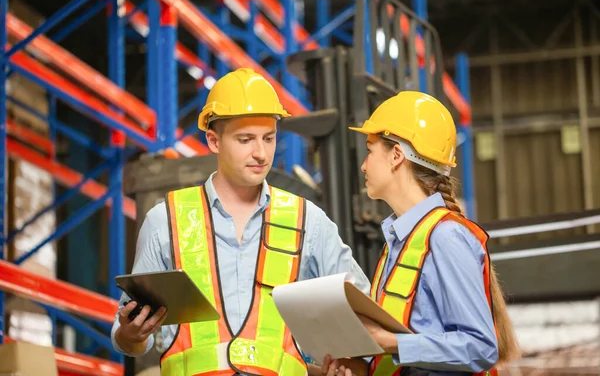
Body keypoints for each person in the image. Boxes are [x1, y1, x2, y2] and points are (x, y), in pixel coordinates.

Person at [111, 68, 370, 376]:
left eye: (269, 138)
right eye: (246, 139)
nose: (260, 153)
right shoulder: (165, 220)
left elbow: (363, 315)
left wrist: (343, 363)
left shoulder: (308, 222)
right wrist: (131, 335)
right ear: (213, 140)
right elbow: (127, 336)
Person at [322, 91, 520, 376]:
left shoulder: (446, 236)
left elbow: (480, 347)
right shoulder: (400, 243)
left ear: (396, 155)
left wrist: (389, 342)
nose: (364, 165)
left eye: (370, 150)